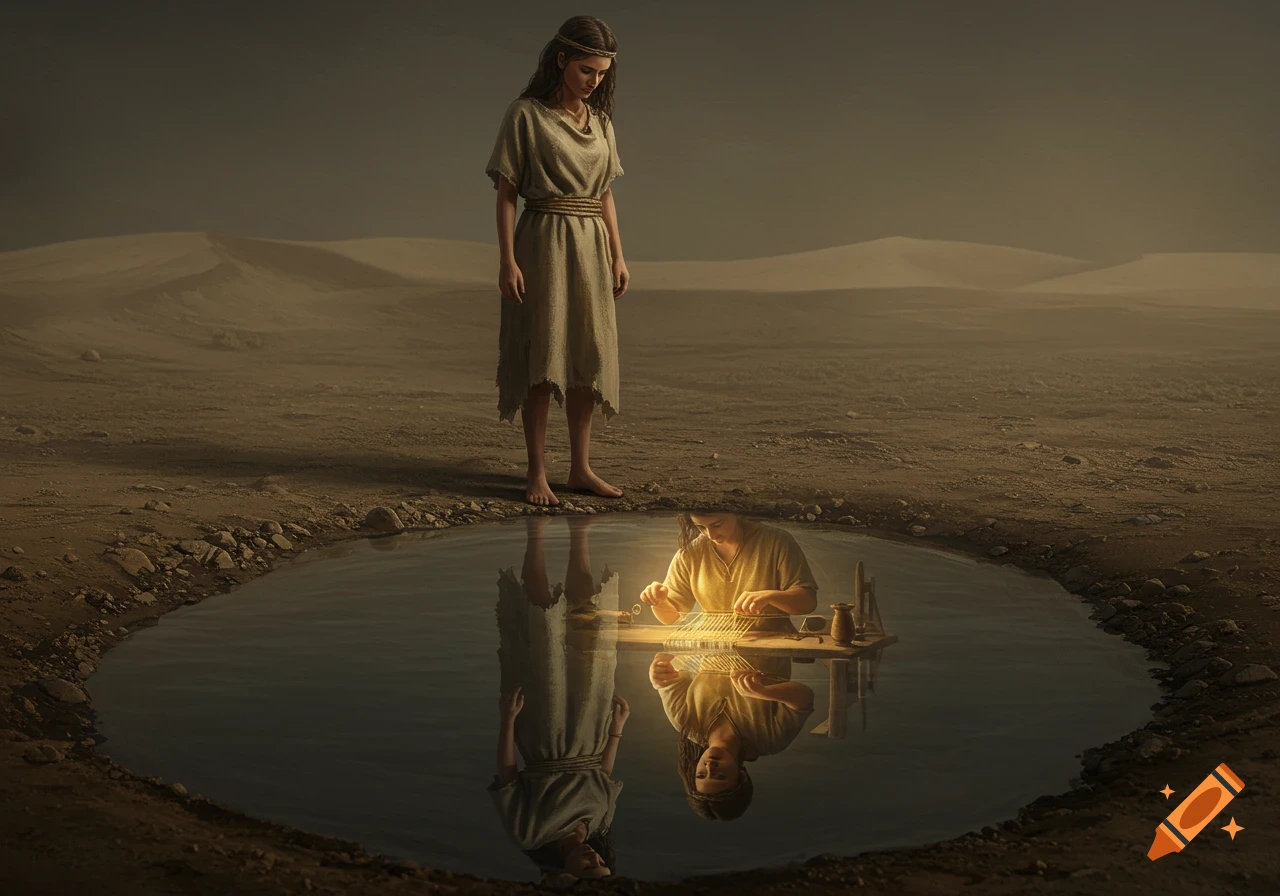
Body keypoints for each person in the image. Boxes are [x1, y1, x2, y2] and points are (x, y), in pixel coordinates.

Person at [485, 16, 629, 507]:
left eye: (603, 74)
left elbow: (605, 193)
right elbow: (506, 194)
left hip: (590, 243)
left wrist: (618, 254)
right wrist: (507, 260)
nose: (595, 81)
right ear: (562, 60)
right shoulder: (525, 115)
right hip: (542, 238)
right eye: (587, 70)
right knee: (543, 355)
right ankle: (536, 471)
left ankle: (581, 468)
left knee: (588, 352)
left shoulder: (602, 124)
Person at [489, 513, 629, 879]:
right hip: (592, 730)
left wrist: (507, 722)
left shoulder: (530, 835)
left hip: (545, 738)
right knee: (591, 632)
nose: (593, 857)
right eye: (601, 863)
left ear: (566, 877)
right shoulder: (598, 824)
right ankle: (579, 533)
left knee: (543, 633)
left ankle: (536, 535)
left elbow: (507, 777)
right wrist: (616, 730)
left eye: (588, 866)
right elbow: (603, 774)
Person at [649, 652, 814, 821]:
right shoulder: (771, 740)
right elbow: (805, 698)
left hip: (713, 632)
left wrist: (658, 672)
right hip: (768, 638)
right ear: (741, 776)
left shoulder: (685, 723)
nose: (710, 766)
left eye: (701, 774)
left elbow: (671, 673)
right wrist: (763, 692)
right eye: (720, 776)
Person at [639, 511, 819, 625]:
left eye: (717, 524)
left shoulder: (776, 542)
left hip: (765, 666)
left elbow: (807, 602)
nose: (710, 535)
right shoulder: (690, 553)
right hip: (711, 659)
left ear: (737, 514)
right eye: (700, 527)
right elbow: (672, 617)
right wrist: (659, 601)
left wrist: (770, 596)